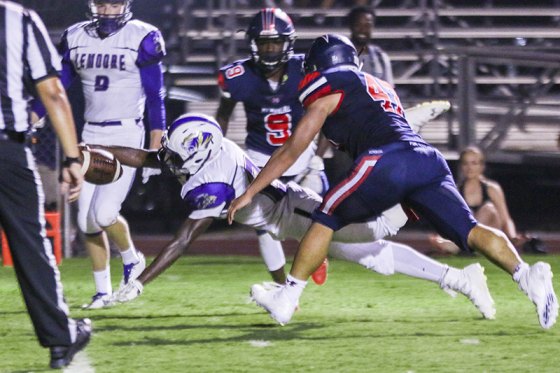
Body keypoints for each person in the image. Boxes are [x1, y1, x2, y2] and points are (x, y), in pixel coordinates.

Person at [227, 34, 558, 329]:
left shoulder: (329, 84)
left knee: (325, 214)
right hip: (426, 158)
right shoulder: (380, 86)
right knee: (469, 230)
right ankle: (526, 274)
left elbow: (292, 148)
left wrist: (251, 191)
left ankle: (287, 298)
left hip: (388, 157)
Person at [93, 113, 495, 320]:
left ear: (200, 153)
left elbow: (183, 239)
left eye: (180, 160)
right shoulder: (203, 151)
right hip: (284, 214)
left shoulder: (214, 181)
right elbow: (149, 157)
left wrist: (141, 284)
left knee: (378, 230)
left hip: (297, 214)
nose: (173, 164)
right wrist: (95, 145)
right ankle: (460, 278)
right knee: (373, 255)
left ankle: (406, 178)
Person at [34, 0, 167, 309]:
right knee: (86, 221)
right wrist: (35, 114)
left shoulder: (142, 36)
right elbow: (59, 85)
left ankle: (132, 258)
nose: (108, 11)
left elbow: (155, 94)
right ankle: (102, 292)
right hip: (91, 135)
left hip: (126, 134)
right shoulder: (75, 35)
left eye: (115, 4)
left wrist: (155, 142)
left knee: (104, 214)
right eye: (102, 4)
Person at [0, 2, 91, 368]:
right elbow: (52, 90)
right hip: (7, 151)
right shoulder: (17, 19)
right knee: (30, 245)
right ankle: (59, 338)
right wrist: (71, 158)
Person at [216, 8, 328, 285]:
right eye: (264, 43)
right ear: (253, 44)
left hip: (302, 155)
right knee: (264, 227)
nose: (269, 50)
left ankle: (316, 251)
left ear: (287, 43)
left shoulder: (306, 69)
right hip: (260, 158)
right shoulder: (238, 75)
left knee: (321, 218)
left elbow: (327, 113)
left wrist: (321, 154)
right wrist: (218, 148)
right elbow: (223, 114)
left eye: (275, 43)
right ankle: (281, 285)